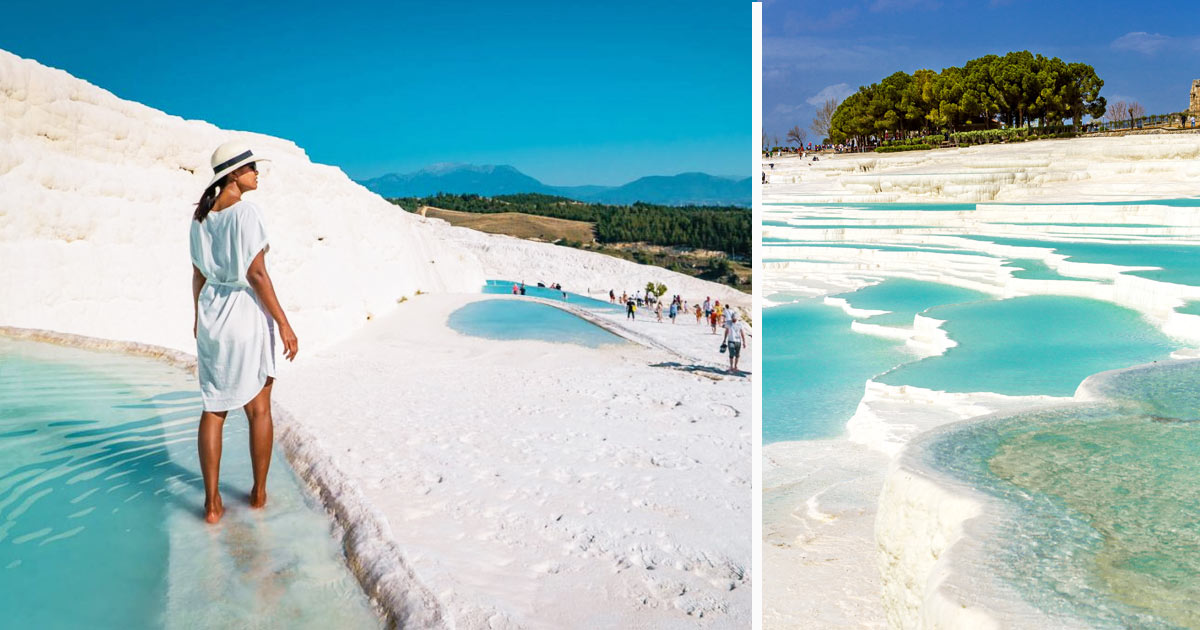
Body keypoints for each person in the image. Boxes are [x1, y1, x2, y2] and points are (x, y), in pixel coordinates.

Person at [190, 141, 298, 524]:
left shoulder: (201, 218)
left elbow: (198, 274)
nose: (257, 173)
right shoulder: (247, 213)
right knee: (259, 407)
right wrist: (284, 323)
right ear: (233, 175)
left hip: (212, 313)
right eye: (251, 167)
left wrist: (197, 318)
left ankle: (212, 503)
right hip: (244, 313)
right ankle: (258, 494)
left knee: (214, 407)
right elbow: (255, 274)